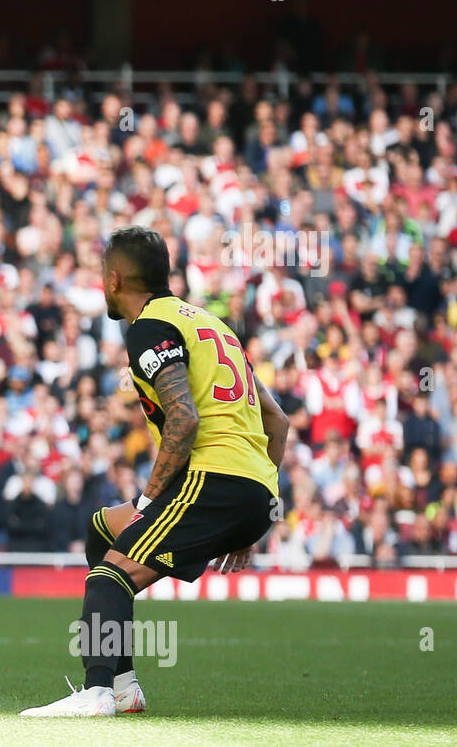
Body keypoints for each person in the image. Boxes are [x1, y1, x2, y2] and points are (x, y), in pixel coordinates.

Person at [21, 226, 288, 718]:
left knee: (108, 577)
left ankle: (97, 693)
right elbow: (277, 419)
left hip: (214, 479)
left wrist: (148, 501)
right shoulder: (213, 325)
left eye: (103, 276)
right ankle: (123, 685)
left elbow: (183, 418)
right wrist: (257, 511)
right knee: (103, 529)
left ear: (115, 278)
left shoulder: (149, 326)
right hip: (249, 486)